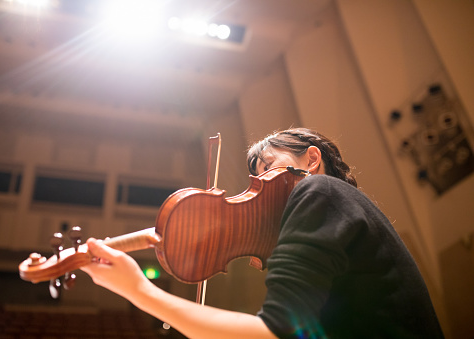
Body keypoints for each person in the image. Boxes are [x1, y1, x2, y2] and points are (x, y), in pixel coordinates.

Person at [81, 127, 444, 339]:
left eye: (269, 167)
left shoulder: (319, 191)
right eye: (257, 177)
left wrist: (138, 290)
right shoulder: (340, 212)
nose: (263, 183)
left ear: (311, 160)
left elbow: (272, 332)